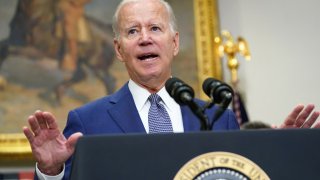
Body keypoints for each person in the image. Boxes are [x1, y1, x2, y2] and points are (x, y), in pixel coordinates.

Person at [23, 0, 320, 179]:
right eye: (132, 31)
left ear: (174, 42)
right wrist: (50, 172)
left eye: (155, 28)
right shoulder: (87, 122)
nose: (144, 39)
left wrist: (279, 153)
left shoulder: (219, 117)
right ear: (118, 49)